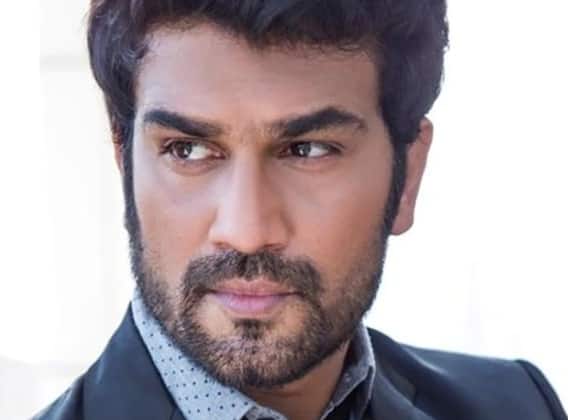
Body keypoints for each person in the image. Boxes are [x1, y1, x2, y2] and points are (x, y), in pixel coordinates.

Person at [37, 1, 567, 419]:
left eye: (307, 150)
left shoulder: (520, 407)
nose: (246, 231)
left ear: (407, 174)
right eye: (188, 150)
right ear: (125, 164)